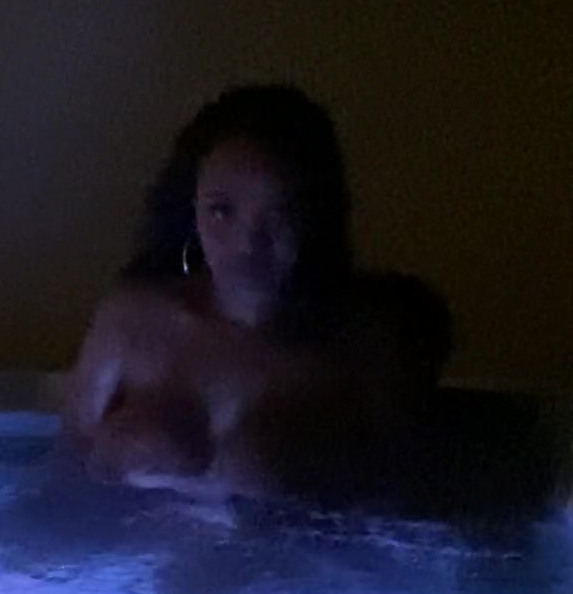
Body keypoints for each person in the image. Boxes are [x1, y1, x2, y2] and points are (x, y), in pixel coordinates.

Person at [64, 85, 451, 506]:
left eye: (279, 213)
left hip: (301, 551)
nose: (248, 242)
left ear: (315, 218)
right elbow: (64, 471)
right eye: (221, 210)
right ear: (190, 208)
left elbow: (407, 500)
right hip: (112, 547)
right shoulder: (131, 321)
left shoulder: (362, 347)